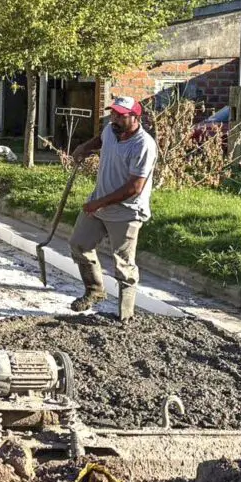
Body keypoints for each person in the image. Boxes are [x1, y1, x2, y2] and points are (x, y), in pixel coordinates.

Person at [68, 96, 158, 321]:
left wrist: (98, 203)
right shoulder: (111, 130)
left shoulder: (143, 145)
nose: (114, 119)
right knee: (79, 244)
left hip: (127, 211)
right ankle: (95, 290)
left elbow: (134, 187)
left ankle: (125, 316)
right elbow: (101, 139)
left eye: (120, 115)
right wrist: (84, 147)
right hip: (99, 204)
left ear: (135, 117)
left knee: (123, 264)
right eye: (114, 114)